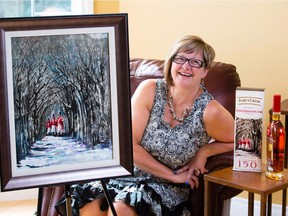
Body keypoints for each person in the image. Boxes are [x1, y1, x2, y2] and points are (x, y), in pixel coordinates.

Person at [56, 35, 235, 216]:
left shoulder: (210, 111)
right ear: (171, 63)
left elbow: (246, 141)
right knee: (89, 206)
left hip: (162, 188)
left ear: (205, 71)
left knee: (120, 210)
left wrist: (205, 151)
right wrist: (172, 174)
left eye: (196, 62)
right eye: (180, 59)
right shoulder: (149, 90)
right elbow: (128, 146)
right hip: (124, 173)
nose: (186, 66)